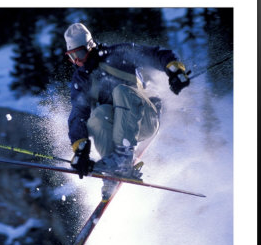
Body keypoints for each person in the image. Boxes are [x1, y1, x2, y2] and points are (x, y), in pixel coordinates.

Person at [64, 23, 190, 198]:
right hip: (121, 129)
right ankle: (113, 172)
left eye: (80, 54)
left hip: (146, 119)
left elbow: (155, 54)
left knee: (121, 91)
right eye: (72, 57)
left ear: (90, 46)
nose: (77, 61)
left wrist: (174, 70)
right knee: (98, 116)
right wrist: (80, 148)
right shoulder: (82, 79)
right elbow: (78, 113)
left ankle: (123, 158)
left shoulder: (117, 53)